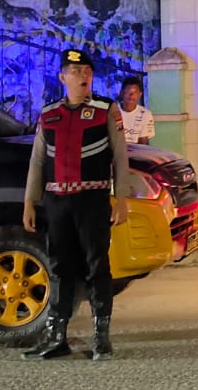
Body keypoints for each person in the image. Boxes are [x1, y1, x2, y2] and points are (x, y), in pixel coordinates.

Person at [21, 48, 133, 361]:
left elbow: (120, 157)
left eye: (87, 71)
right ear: (62, 77)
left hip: (92, 200)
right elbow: (37, 160)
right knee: (59, 267)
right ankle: (56, 337)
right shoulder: (49, 114)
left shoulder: (105, 110)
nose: (82, 76)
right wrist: (30, 201)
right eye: (75, 72)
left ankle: (101, 337)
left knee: (97, 266)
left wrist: (121, 198)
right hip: (57, 202)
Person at [117, 75, 155, 145]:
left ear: (140, 94)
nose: (131, 95)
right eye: (128, 92)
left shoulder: (146, 114)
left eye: (135, 92)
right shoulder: (113, 112)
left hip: (136, 150)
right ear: (122, 93)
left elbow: (142, 143)